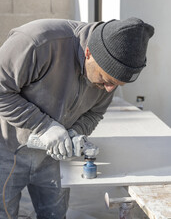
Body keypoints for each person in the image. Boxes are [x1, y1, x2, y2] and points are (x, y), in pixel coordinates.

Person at [0, 17, 154, 219]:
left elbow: (95, 113)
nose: (109, 89)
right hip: (7, 149)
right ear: (88, 53)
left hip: (52, 158)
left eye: (116, 85)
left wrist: (75, 133)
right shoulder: (37, 42)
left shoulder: (108, 74)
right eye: (105, 80)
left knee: (55, 214)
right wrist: (43, 126)